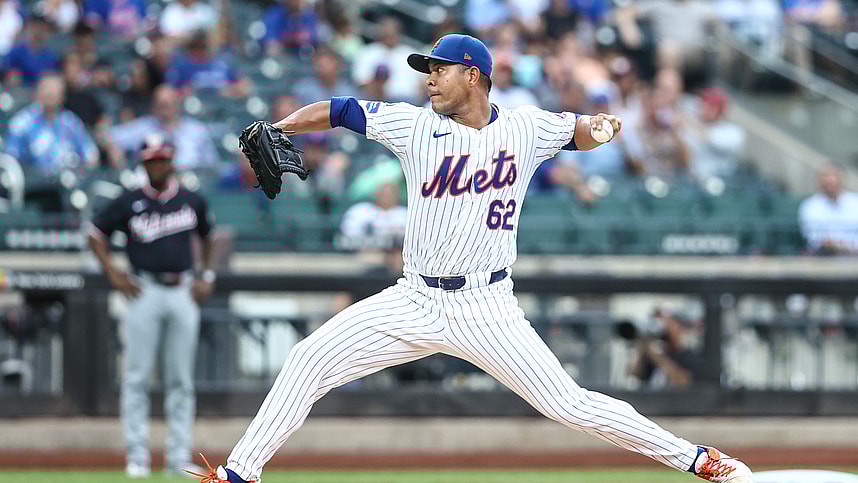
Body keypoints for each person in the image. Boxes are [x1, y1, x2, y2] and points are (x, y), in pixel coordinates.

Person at [191, 34, 753, 483]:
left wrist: (602, 127)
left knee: (569, 405)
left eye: (440, 68)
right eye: (426, 70)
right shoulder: (414, 126)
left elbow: (580, 130)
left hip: (488, 306)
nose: (430, 78)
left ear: (474, 75)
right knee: (307, 360)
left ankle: (700, 460)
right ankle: (239, 474)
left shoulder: (526, 127)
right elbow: (339, 110)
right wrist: (283, 126)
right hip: (414, 297)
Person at [86, 133, 217, 478]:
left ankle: (177, 458)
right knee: (137, 376)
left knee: (181, 380)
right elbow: (94, 234)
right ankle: (138, 456)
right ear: (144, 163)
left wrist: (207, 275)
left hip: (182, 288)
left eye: (163, 158)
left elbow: (209, 235)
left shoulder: (191, 199)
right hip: (143, 288)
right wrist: (114, 274)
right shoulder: (129, 200)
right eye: (152, 159)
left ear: (172, 161)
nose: (158, 164)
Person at [798, 163, 858, 255]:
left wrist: (847, 246)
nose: (830, 180)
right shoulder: (810, 205)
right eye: (825, 176)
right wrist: (833, 244)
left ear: (843, 179)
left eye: (834, 176)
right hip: (823, 254)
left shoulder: (855, 202)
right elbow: (812, 236)